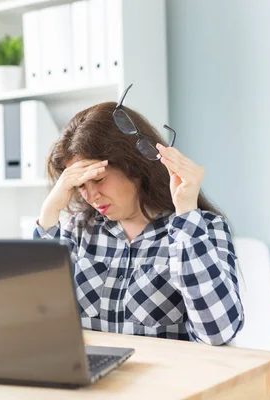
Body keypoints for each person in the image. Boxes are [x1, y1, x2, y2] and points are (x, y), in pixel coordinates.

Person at [33, 84, 244, 346]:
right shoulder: (77, 231)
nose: (89, 196)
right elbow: (38, 325)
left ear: (134, 166)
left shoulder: (205, 228)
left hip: (169, 383)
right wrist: (49, 213)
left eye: (97, 179)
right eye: (79, 185)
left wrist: (186, 213)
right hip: (93, 382)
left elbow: (218, 333)